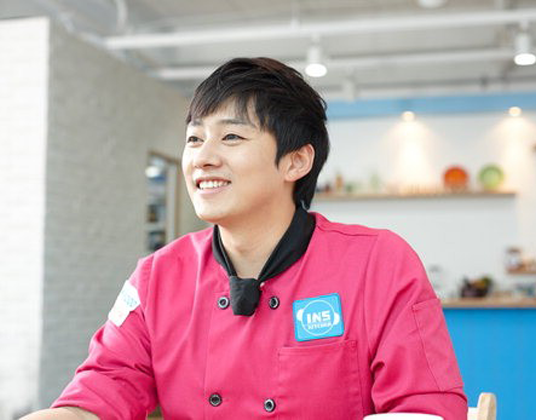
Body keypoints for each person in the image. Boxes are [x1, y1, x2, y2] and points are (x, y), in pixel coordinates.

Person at [22, 57, 467, 420]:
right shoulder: (157, 276)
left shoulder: (378, 262)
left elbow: (426, 408)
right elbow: (104, 388)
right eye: (194, 139)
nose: (203, 158)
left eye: (231, 136)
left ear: (295, 161)